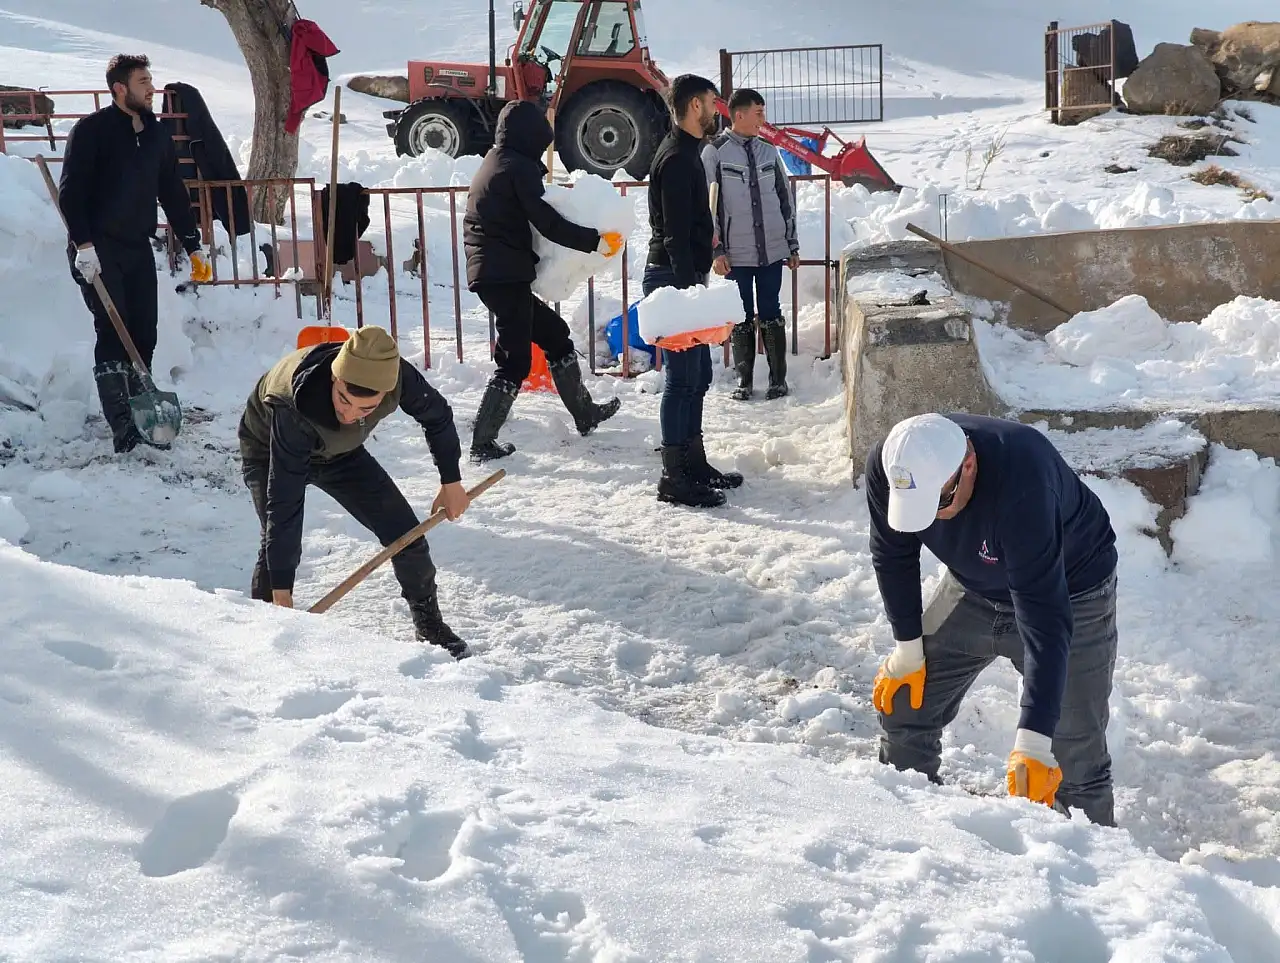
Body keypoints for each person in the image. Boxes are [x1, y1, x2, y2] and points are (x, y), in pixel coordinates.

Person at [864, 412, 1120, 826]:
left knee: (1071, 760)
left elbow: (1044, 616)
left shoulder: (1023, 481)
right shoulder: (894, 462)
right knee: (906, 704)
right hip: (974, 588)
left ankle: (1094, 858)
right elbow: (893, 555)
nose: (931, 518)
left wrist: (1034, 741)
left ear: (968, 465)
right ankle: (907, 831)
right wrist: (908, 650)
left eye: (937, 503)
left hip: (1070, 592)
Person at [237, 326, 473, 660]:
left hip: (340, 453)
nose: (349, 415)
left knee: (406, 536)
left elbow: (437, 416)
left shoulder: (396, 376)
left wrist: (451, 482)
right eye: (343, 399)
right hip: (270, 449)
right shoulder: (294, 405)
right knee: (275, 543)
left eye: (365, 409)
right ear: (335, 378)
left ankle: (429, 625)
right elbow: (284, 504)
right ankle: (267, 629)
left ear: (386, 392)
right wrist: (282, 592)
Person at [57, 53, 213, 453]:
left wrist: (193, 243)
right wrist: (83, 244)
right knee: (113, 329)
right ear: (119, 88)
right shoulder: (92, 131)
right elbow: (71, 192)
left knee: (145, 331)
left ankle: (141, 411)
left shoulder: (157, 135)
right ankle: (123, 427)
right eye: (143, 82)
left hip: (137, 246)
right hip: (98, 247)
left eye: (151, 81)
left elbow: (172, 191)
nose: (151, 88)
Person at [463, 99, 624, 463]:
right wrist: (595, 242)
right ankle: (482, 441)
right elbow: (546, 220)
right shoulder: (515, 167)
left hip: (497, 272)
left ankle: (585, 413)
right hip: (502, 274)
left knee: (555, 335)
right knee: (514, 361)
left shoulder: (497, 160)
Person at [643, 74, 743, 509]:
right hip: (672, 278)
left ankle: (693, 462)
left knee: (698, 376)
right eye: (712, 102)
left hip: (684, 277)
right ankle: (673, 476)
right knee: (681, 380)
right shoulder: (676, 159)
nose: (718, 111)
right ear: (695, 106)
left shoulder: (687, 152)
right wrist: (689, 294)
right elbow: (674, 236)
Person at [702, 88, 799, 401]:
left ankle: (778, 379)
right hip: (736, 253)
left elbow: (785, 198)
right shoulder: (715, 152)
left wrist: (792, 244)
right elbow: (709, 207)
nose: (763, 120)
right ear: (739, 115)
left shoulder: (769, 151)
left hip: (771, 249)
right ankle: (744, 381)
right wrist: (716, 250)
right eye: (758, 113)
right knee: (742, 314)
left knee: (771, 311)